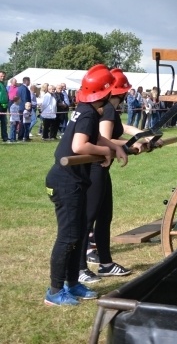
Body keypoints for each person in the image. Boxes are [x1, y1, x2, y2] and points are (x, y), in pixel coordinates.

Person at [44, 64, 128, 306]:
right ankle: (54, 291)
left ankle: (73, 283)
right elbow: (80, 146)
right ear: (103, 93)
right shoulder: (90, 113)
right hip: (65, 182)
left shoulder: (86, 109)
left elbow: (96, 137)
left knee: (78, 234)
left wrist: (115, 146)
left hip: (76, 180)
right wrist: (106, 151)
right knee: (68, 237)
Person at [79, 69, 157, 284]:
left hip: (102, 167)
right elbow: (105, 139)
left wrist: (142, 137)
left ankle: (105, 263)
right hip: (95, 166)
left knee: (104, 216)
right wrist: (135, 144)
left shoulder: (109, 110)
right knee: (89, 217)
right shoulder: (108, 111)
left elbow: (117, 133)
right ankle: (80, 266)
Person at [0, 71, 8, 142]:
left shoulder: (3, 84)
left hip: (4, 106)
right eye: (1, 76)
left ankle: (5, 137)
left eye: (3, 76)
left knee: (4, 122)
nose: (2, 77)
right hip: (0, 105)